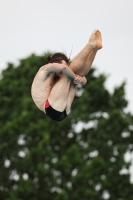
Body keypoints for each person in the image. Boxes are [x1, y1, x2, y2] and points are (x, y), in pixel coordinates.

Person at [31, 29, 102, 121]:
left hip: (63, 110)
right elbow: (64, 68)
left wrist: (82, 80)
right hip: (50, 108)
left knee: (73, 74)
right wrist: (76, 77)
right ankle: (89, 44)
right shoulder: (45, 70)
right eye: (61, 67)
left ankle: (95, 49)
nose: (63, 72)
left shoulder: (59, 78)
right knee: (70, 73)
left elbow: (82, 80)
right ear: (54, 64)